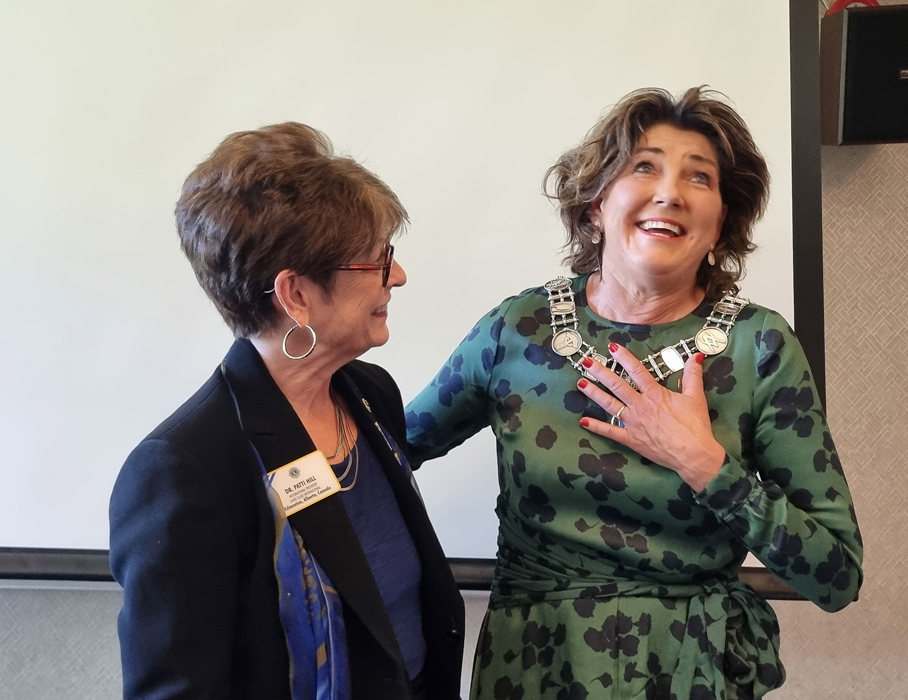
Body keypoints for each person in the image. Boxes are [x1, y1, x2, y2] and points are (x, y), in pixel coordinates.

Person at [405, 87, 863, 699]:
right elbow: (385, 451)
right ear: (596, 203)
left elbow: (835, 576)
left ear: (720, 221)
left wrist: (706, 466)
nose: (670, 192)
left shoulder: (759, 346)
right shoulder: (518, 328)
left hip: (691, 671)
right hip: (535, 668)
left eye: (698, 177)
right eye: (644, 167)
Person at [109, 122, 464, 699]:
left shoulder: (371, 393)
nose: (397, 276)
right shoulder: (183, 470)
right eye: (376, 261)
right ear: (296, 294)